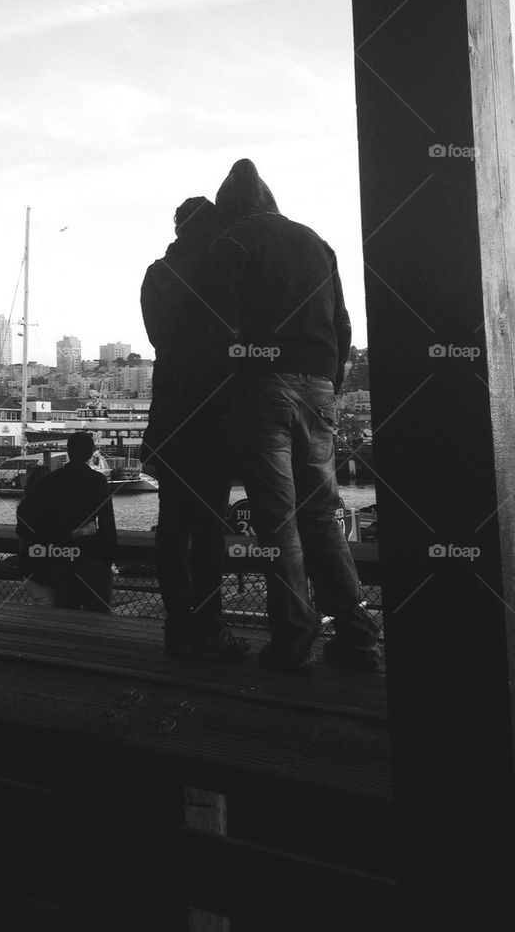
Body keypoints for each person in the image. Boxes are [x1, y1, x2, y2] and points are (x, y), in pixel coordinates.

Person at [212, 159, 380, 672]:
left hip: (261, 386)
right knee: (322, 515)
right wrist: (330, 381)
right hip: (319, 386)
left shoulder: (233, 241)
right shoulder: (315, 243)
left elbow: (220, 324)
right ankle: (356, 634)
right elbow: (342, 323)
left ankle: (293, 638)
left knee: (278, 521)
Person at [141, 196, 250, 661]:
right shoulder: (219, 269)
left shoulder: (156, 274)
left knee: (171, 524)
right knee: (208, 526)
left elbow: (157, 337)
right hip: (212, 412)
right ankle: (209, 624)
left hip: (169, 409)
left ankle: (177, 624)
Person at [20, 432, 116, 612]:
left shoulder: (50, 480)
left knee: (65, 609)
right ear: (90, 453)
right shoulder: (97, 481)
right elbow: (107, 524)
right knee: (97, 613)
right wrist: (107, 559)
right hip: (89, 554)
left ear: (69, 451)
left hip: (59, 556)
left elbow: (36, 519)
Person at [15, 462, 54, 606]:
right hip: (53, 559)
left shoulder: (24, 506)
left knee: (40, 602)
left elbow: (22, 536)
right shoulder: (58, 505)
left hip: (30, 563)